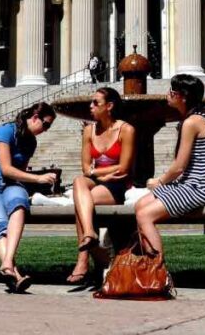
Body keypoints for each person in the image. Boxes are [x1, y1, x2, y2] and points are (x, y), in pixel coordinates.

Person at [0, 102, 58, 293]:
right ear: (35, 117)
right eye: (46, 125)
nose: (46, 130)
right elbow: (6, 168)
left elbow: (18, 173)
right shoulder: (6, 131)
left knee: (19, 204)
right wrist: (38, 178)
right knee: (0, 223)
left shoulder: (31, 142)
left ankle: (7, 264)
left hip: (12, 185)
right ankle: (15, 273)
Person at [135, 75, 205, 258]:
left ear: (183, 96)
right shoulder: (192, 119)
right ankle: (148, 258)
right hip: (190, 184)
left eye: (172, 92)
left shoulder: (192, 122)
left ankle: (158, 272)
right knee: (140, 205)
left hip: (200, 188)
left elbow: (179, 167)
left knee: (145, 216)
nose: (168, 95)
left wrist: (159, 181)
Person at [67, 86, 135, 285]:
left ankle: (83, 260)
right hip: (99, 180)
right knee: (79, 181)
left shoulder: (126, 129)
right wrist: (101, 173)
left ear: (110, 106)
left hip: (117, 184)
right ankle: (90, 233)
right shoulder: (89, 130)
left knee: (82, 203)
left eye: (95, 103)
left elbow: (123, 168)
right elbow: (85, 168)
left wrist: (98, 173)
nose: (90, 106)